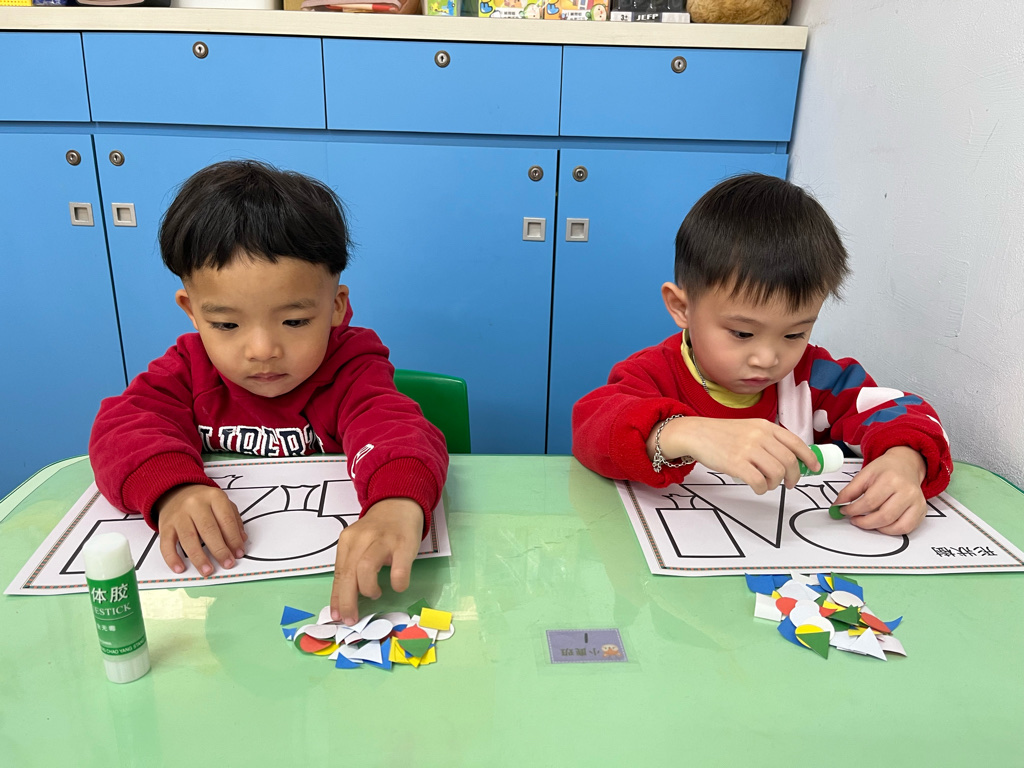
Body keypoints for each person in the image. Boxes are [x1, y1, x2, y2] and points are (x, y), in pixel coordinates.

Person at [89, 160, 448, 623]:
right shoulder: (188, 370)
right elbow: (121, 428)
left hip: (326, 591)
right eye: (226, 324)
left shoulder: (351, 367)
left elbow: (393, 427)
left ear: (337, 307)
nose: (262, 350)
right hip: (224, 588)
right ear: (192, 311)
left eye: (294, 321)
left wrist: (395, 501)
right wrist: (172, 490)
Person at [572, 173, 952, 535]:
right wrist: (685, 432)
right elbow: (591, 427)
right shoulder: (655, 374)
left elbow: (905, 412)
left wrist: (905, 462)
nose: (768, 359)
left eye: (794, 333)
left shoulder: (815, 378)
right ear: (681, 307)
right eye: (742, 333)